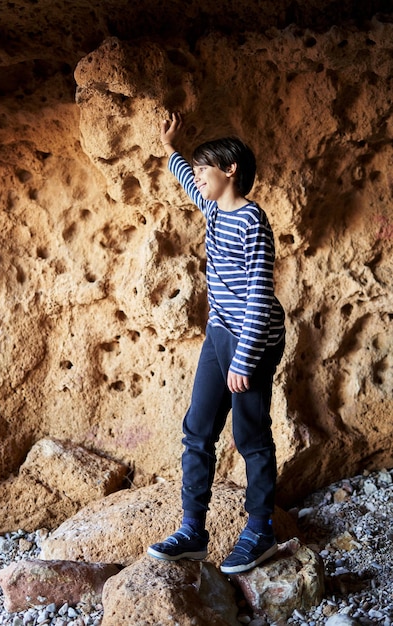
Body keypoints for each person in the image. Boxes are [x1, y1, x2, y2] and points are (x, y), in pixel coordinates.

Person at [147, 112, 286, 574]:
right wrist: (171, 146)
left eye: (208, 168)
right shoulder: (211, 208)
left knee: (250, 435)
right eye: (200, 169)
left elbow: (261, 296)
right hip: (220, 334)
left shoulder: (253, 220)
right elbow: (186, 178)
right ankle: (192, 532)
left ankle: (260, 531)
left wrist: (244, 361)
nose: (199, 176)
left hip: (254, 339)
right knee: (198, 429)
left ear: (230, 171)